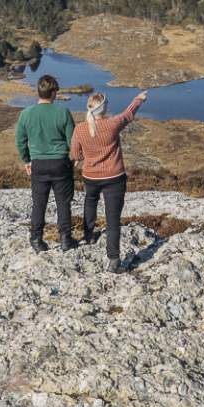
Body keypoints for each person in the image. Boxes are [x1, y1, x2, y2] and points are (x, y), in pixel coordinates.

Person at [71, 88, 146, 272]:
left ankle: (89, 235)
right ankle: (113, 259)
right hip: (114, 177)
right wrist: (138, 99)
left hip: (91, 176)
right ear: (104, 108)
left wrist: (88, 155)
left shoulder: (80, 129)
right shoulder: (112, 124)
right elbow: (128, 115)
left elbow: (75, 155)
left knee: (90, 201)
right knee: (112, 220)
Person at [16, 73, 77, 252]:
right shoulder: (63, 113)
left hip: (38, 165)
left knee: (39, 203)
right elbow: (72, 142)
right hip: (60, 164)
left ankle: (36, 239)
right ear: (53, 93)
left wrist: (26, 160)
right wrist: (73, 158)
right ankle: (65, 239)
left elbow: (20, 141)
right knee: (63, 203)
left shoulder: (26, 114)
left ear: (39, 92)